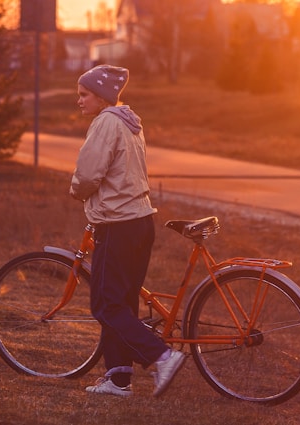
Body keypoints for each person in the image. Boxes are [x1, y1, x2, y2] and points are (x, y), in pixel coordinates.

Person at [69, 64, 186, 397]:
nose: (79, 100)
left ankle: (163, 356)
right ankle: (119, 379)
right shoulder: (128, 121)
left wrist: (76, 189)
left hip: (117, 225)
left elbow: (90, 173)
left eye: (84, 94)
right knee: (123, 303)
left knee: (106, 305)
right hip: (139, 223)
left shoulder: (105, 122)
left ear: (101, 96)